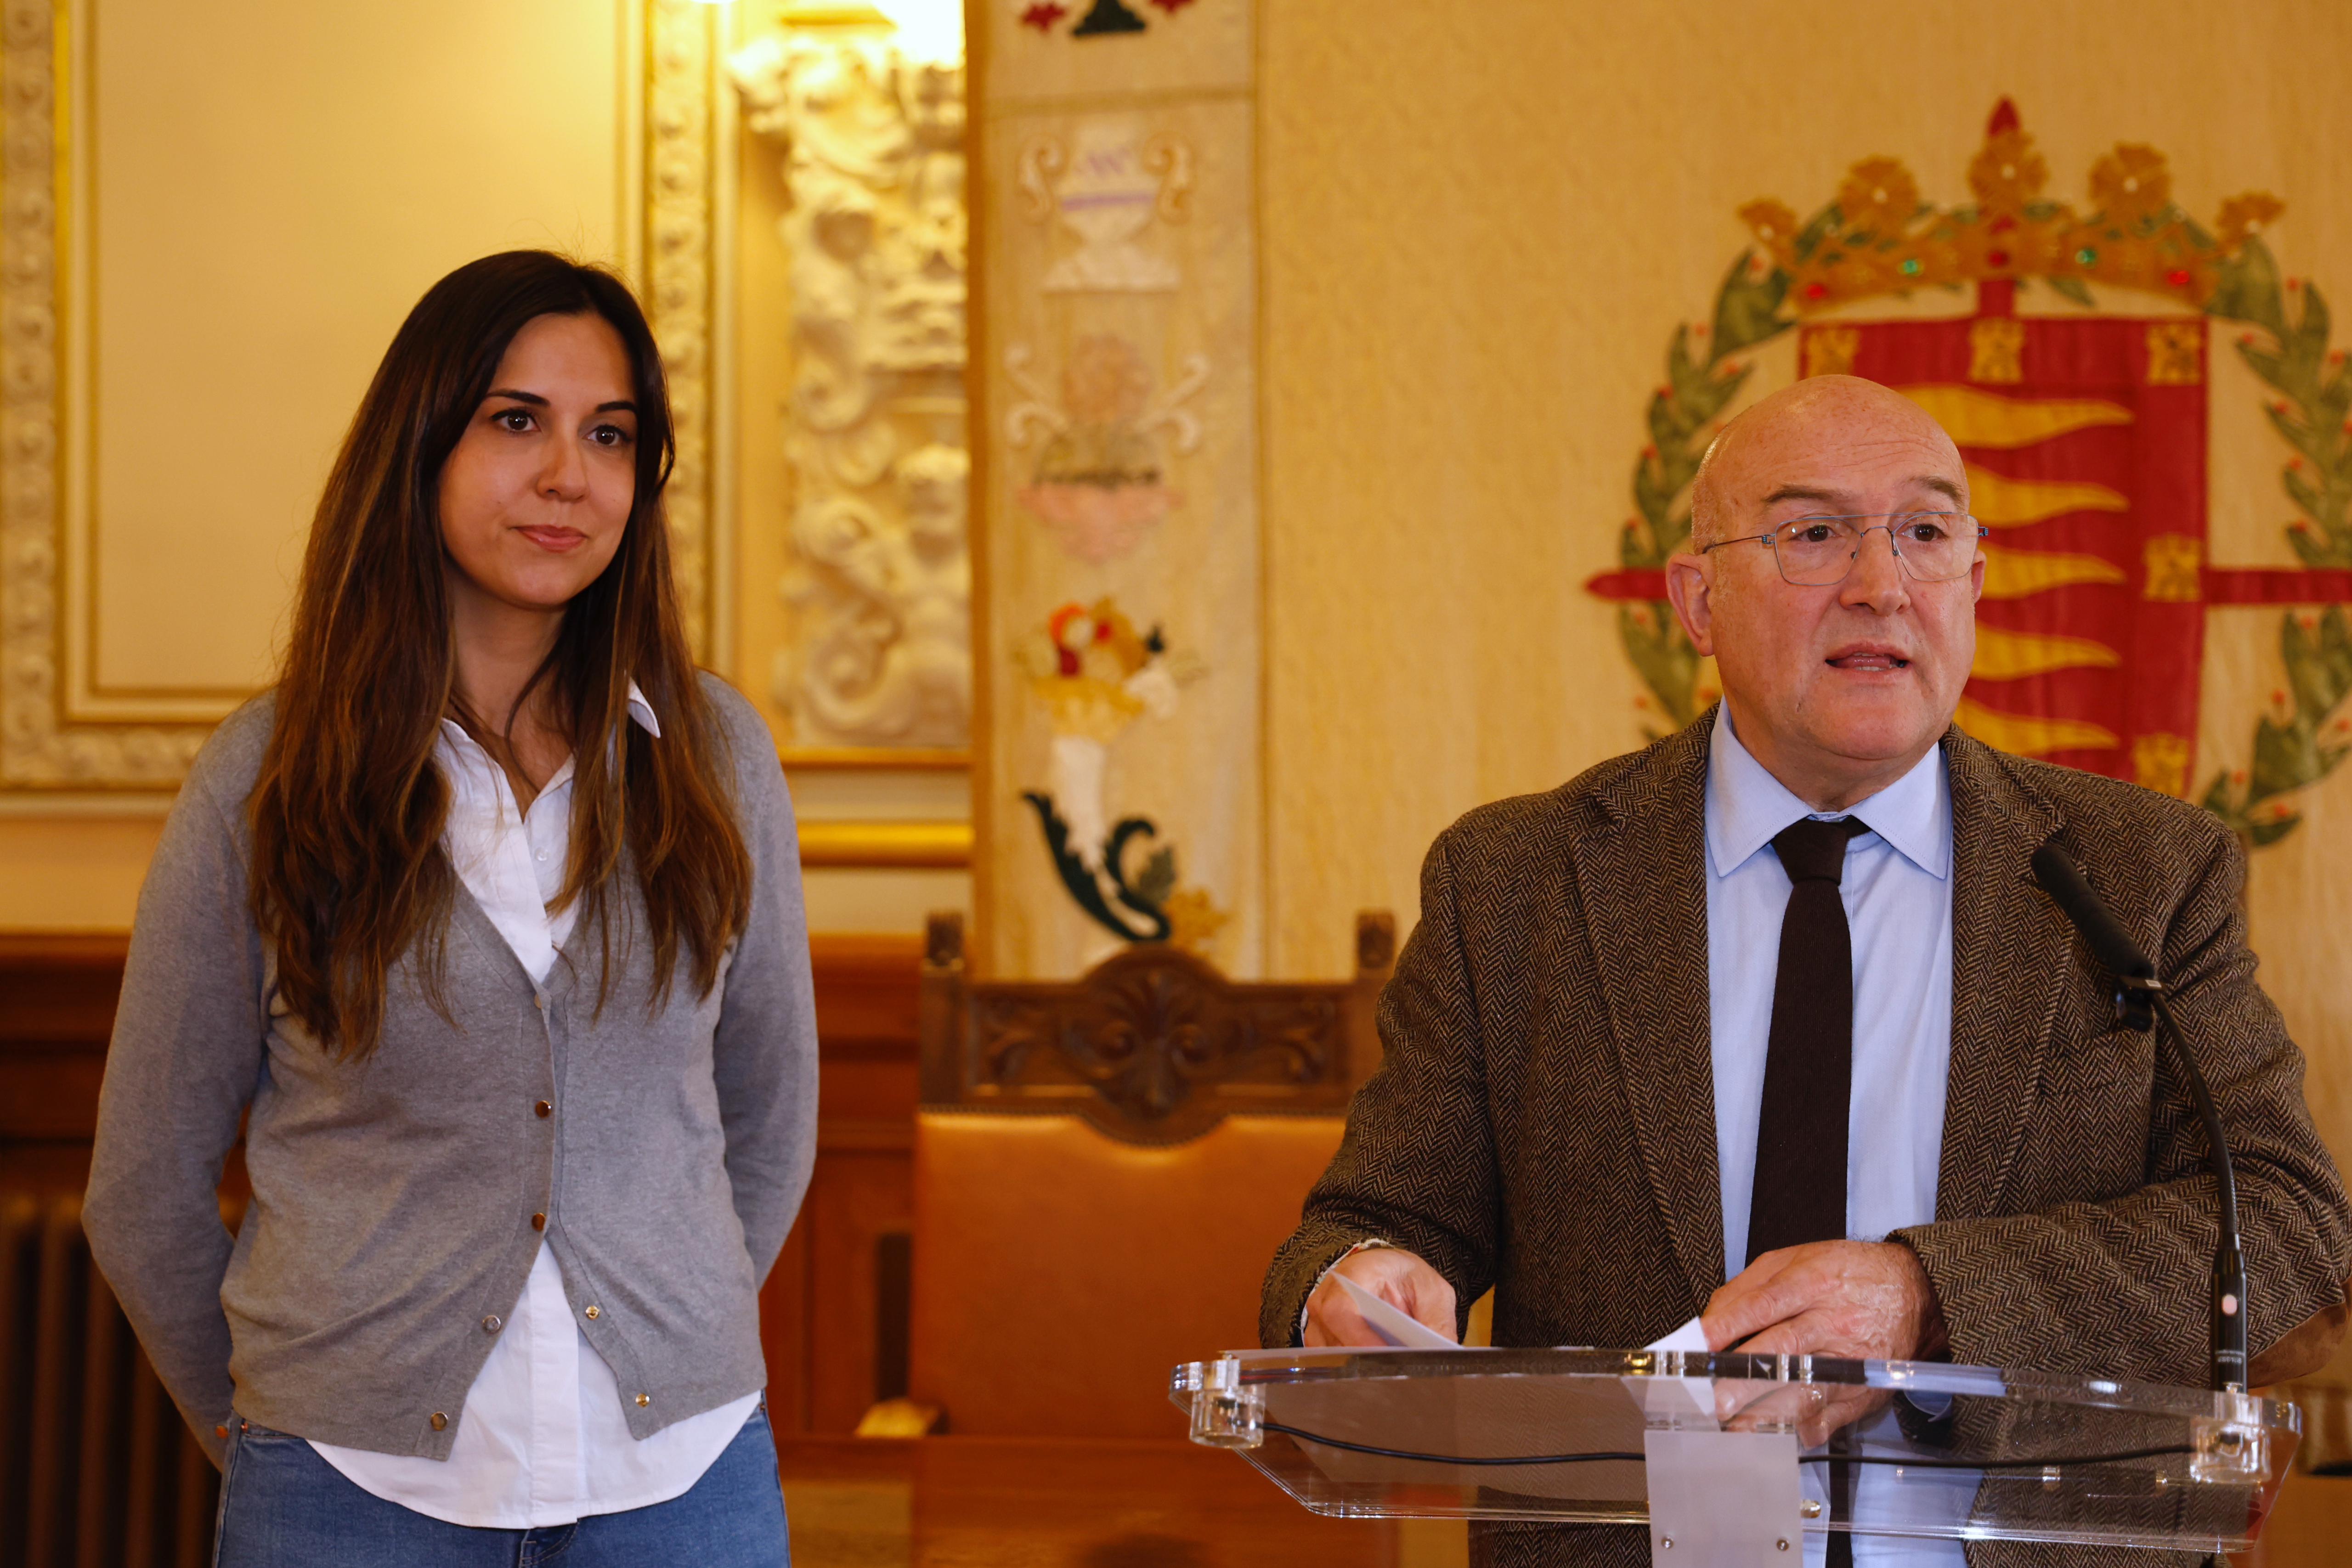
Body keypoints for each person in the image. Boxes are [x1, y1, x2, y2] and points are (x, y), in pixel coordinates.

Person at [1262, 375, 2351, 1566]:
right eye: (1815, 532)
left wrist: (1930, 1299)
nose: (1882, 583)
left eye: (1925, 532)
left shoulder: (2142, 873)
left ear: (1974, 584)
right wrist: (1363, 1285)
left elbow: (2289, 1229)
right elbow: (1376, 1221)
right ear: (1699, 599)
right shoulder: (1517, 882)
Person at [83, 251, 816, 1565]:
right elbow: (143, 1187)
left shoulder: (717, 755)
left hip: (686, 1492)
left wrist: (676, 1336)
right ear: (418, 445)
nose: (568, 475)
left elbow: (773, 1122)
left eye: (611, 436)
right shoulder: (268, 777)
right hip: (347, 1499)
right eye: (516, 420)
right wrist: (274, 1436)